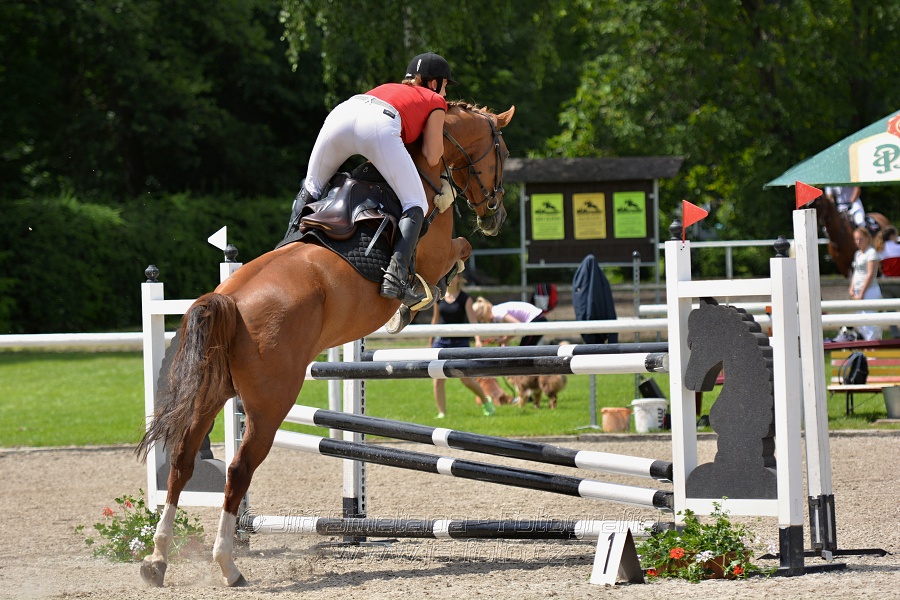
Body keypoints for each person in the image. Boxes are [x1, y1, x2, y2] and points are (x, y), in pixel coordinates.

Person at [287, 52, 457, 304]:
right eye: (445, 86)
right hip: (378, 125)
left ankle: (287, 243)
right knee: (416, 203)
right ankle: (396, 277)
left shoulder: (387, 87)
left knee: (311, 186)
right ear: (434, 83)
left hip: (340, 115)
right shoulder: (433, 98)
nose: (444, 93)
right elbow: (432, 156)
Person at [430, 275, 496, 418]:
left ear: (459, 279)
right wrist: (430, 340)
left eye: (454, 277)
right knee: (438, 380)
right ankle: (442, 413)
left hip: (460, 343)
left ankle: (486, 400)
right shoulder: (439, 297)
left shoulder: (465, 298)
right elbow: (435, 320)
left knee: (466, 379)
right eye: (449, 277)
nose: (451, 280)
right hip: (441, 342)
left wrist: (478, 340)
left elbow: (473, 322)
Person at [848, 226, 882, 341]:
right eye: (856, 239)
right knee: (861, 321)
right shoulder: (857, 254)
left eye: (860, 239)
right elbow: (856, 272)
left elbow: (871, 274)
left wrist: (862, 292)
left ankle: (874, 349)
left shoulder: (871, 253)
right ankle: (867, 348)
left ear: (868, 238)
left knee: (870, 321)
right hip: (858, 290)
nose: (858, 242)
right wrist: (852, 288)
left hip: (869, 291)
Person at [472, 297, 547, 346]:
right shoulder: (496, 314)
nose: (482, 321)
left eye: (481, 318)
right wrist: (503, 340)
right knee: (525, 352)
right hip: (536, 319)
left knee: (524, 353)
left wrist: (505, 339)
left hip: (535, 319)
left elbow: (518, 326)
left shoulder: (497, 313)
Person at [875, 225, 900, 338]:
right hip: (898, 282)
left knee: (890, 311)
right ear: (892, 235)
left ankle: (895, 335)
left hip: (885, 283)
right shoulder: (898, 248)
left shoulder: (880, 249)